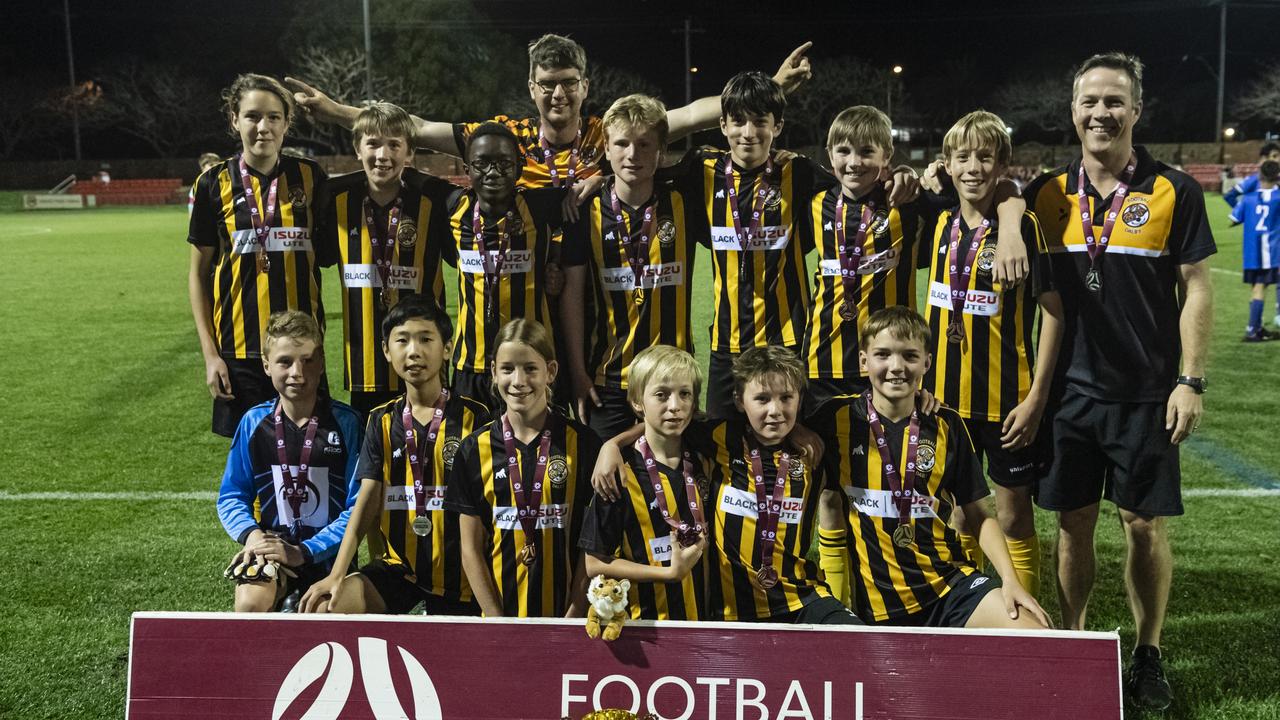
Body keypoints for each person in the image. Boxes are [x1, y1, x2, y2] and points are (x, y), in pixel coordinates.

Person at [1023, 53, 1216, 711]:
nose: (1101, 112)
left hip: (1145, 393)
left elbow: (1195, 287)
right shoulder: (1044, 193)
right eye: (1089, 101)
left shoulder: (1174, 190)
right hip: (1070, 394)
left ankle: (1147, 650)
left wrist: (1190, 379)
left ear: (1136, 111)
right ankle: (1075, 642)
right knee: (1072, 523)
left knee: (1143, 526)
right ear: (1072, 111)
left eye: (1114, 101)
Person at [286, 34, 813, 194]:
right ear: (531, 88)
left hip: (597, 290)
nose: (557, 95)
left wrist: (767, 88)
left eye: (567, 85)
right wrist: (336, 111)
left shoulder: (612, 133)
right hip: (528, 289)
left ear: (585, 86)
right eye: (547, 85)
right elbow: (413, 129)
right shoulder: (503, 137)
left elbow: (695, 113)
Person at [812, 307, 1049, 630]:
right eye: (883, 355)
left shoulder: (945, 424)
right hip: (883, 608)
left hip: (950, 587)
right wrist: (799, 432)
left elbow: (979, 515)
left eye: (910, 356)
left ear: (927, 362)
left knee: (1037, 635)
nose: (896, 367)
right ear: (864, 361)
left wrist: (1010, 580)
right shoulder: (834, 420)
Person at [593, 346, 859, 625]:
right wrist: (613, 444)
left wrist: (800, 430)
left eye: (786, 398)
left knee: (859, 643)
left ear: (800, 399)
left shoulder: (815, 449)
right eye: (762, 399)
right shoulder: (719, 437)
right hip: (733, 612)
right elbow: (661, 423)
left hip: (802, 597)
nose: (775, 410)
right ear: (740, 401)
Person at [920, 110, 1064, 596]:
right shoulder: (939, 223)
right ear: (946, 163)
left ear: (1003, 163)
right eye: (963, 157)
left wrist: (1036, 399)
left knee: (1012, 512)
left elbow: (1055, 316)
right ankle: (967, 610)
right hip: (943, 400)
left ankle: (1025, 621)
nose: (973, 167)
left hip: (1007, 401)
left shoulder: (1025, 230)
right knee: (959, 512)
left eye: (985, 157)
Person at [803, 105, 1029, 412]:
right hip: (822, 361)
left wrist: (1012, 225)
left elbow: (996, 186)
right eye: (843, 151)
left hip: (892, 364)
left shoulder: (908, 201)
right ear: (830, 155)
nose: (854, 162)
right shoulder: (813, 200)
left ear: (887, 155)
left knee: (891, 454)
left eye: (867, 151)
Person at [300, 296, 490, 615]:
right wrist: (337, 573)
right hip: (399, 568)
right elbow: (369, 496)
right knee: (326, 606)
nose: (413, 351)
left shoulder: (476, 418)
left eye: (426, 339)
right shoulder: (381, 420)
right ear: (387, 351)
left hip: (462, 574)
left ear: (447, 348)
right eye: (402, 340)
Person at [188, 73, 328, 437]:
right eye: (252, 116)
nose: (262, 127)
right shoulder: (212, 184)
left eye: (273, 117)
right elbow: (198, 276)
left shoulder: (311, 178)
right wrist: (210, 355)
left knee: (311, 457)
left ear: (286, 122)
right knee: (250, 467)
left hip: (303, 351)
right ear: (235, 120)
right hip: (239, 353)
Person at [560, 94, 708, 439]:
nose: (632, 154)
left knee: (671, 482)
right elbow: (572, 297)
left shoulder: (686, 201)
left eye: (644, 144)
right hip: (606, 379)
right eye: (622, 143)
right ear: (606, 149)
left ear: (660, 151)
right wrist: (578, 373)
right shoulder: (584, 212)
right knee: (604, 482)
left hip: (672, 377)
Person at [444, 319, 599, 617]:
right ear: (493, 372)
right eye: (508, 369)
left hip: (569, 618)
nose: (518, 380)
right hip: (499, 618)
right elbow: (471, 550)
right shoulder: (473, 450)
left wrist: (575, 612)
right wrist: (499, 623)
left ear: (550, 371)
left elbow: (591, 543)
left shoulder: (583, 444)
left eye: (530, 368)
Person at [217, 311, 361, 612]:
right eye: (285, 362)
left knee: (320, 613)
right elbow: (232, 495)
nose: (298, 372)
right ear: (267, 365)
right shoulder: (254, 423)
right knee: (250, 603)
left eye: (308, 360)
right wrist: (254, 538)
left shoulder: (346, 424)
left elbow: (357, 507)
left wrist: (305, 550)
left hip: (330, 557)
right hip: (271, 553)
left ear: (321, 364)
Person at [318, 102, 453, 418]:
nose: (383, 155)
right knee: (374, 457)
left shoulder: (433, 206)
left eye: (394, 144)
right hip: (364, 366)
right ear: (357, 149)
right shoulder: (337, 205)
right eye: (373, 143)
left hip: (424, 361)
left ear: (409, 153)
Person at [578, 345, 710, 621]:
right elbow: (594, 562)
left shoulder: (707, 455)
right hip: (645, 626)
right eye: (661, 395)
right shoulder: (618, 473)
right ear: (637, 402)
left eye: (685, 394)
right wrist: (669, 574)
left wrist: (612, 441)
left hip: (709, 621)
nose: (675, 406)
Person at [442, 122, 567, 408]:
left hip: (532, 364)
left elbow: (591, 196)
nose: (493, 172)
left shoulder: (542, 206)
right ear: (467, 169)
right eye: (482, 163)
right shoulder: (451, 206)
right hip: (470, 366)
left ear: (519, 167)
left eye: (503, 163)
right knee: (473, 449)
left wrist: (555, 260)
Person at [1228, 159, 1280, 341]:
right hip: (1269, 253)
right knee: (1260, 288)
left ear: (1259, 175)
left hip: (1250, 253)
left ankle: (1256, 327)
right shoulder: (1278, 197)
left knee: (1256, 288)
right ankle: (1252, 330)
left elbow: (1234, 218)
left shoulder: (1248, 199)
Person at [1222, 141, 1280, 209]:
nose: (1279, 159)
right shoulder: (1254, 180)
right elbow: (1229, 196)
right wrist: (1243, 212)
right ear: (1264, 159)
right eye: (1275, 156)